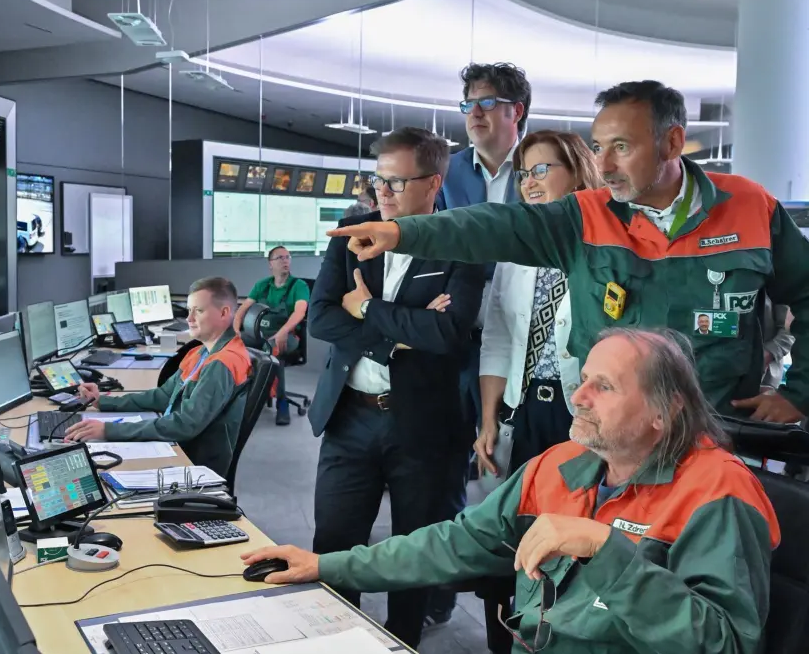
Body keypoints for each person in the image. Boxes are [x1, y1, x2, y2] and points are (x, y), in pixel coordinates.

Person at [243, 328, 781, 654]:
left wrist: (605, 551)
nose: (579, 396)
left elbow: (725, 643)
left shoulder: (718, 493)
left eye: (605, 386)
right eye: (584, 378)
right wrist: (326, 565)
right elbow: (450, 544)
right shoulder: (560, 465)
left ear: (665, 413)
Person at [327, 80, 809, 424]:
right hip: (612, 441)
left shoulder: (749, 208)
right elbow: (496, 225)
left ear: (673, 142)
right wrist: (406, 233)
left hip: (714, 434)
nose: (604, 164)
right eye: (598, 147)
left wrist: (800, 393)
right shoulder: (586, 214)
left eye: (621, 146)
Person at [306, 126, 484, 648]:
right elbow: (320, 318)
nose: (381, 194)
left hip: (424, 424)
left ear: (433, 183)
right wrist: (397, 335)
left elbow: (448, 334)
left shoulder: (461, 245)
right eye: (377, 181)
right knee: (335, 542)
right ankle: (337, 637)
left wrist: (367, 309)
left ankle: (402, 639)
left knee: (414, 548)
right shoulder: (351, 234)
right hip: (350, 417)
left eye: (396, 183)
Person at [428, 62, 532, 628]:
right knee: (450, 465)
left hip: (522, 339)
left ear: (516, 111)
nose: (473, 112)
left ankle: (516, 598)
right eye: (467, 102)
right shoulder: (450, 172)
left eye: (487, 102)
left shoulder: (542, 166)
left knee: (510, 467)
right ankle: (447, 590)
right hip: (458, 339)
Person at [477, 130, 604, 479]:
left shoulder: (605, 247)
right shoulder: (516, 249)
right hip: (526, 406)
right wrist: (488, 418)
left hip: (585, 407)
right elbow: (498, 338)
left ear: (578, 172)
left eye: (540, 170)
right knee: (524, 515)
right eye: (524, 174)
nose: (529, 182)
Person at [66, 277, 251, 476]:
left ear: (224, 313)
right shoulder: (201, 352)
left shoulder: (223, 363)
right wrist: (104, 402)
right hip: (178, 446)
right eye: (188, 310)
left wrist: (108, 430)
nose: (189, 319)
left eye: (198, 311)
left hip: (194, 463)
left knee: (99, 474)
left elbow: (185, 425)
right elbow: (162, 396)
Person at [235, 246, 309, 425]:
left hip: (288, 336)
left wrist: (282, 332)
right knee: (233, 346)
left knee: (273, 350)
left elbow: (300, 313)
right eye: (280, 258)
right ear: (270, 264)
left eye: (287, 257)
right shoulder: (262, 285)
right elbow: (242, 310)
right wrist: (236, 330)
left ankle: (281, 402)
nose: (285, 261)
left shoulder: (299, 286)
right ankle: (240, 398)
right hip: (260, 334)